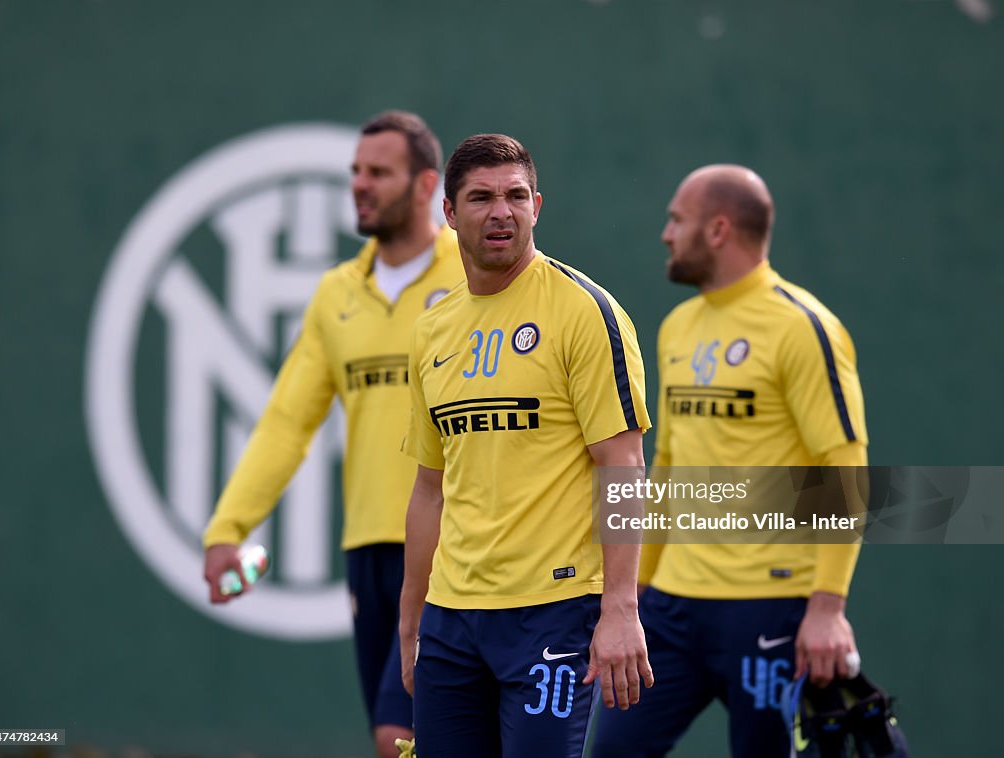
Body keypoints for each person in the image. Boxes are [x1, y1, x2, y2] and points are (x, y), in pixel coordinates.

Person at [202, 110, 463, 758]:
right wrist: (229, 527)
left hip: (451, 541)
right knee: (416, 738)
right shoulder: (335, 293)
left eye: (379, 172)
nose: (360, 185)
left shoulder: (475, 272)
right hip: (368, 551)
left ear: (426, 184)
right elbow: (288, 421)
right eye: (355, 172)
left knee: (397, 734)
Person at [593, 165, 868, 758]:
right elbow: (665, 466)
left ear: (718, 230)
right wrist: (634, 592)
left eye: (676, 220)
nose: (666, 234)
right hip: (671, 609)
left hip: (769, 609)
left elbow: (842, 465)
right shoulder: (676, 327)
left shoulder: (802, 327)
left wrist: (827, 607)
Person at [398, 133, 655, 758]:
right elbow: (430, 488)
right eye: (481, 198)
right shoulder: (432, 330)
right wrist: (411, 623)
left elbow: (621, 465)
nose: (501, 212)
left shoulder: (583, 310)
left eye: (515, 196)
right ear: (450, 214)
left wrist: (621, 605)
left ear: (537, 205)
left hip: (555, 611)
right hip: (452, 620)